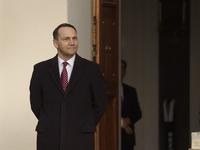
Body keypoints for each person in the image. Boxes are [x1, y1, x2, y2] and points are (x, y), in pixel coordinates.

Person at [29, 23, 107, 150]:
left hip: (81, 139)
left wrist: (85, 124)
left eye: (74, 38)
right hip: (49, 139)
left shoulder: (92, 70)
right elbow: (36, 104)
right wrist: (53, 121)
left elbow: (101, 104)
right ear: (55, 43)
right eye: (66, 39)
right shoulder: (40, 70)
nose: (72, 42)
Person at [121, 60, 142, 150]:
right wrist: (119, 122)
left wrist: (127, 121)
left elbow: (138, 113)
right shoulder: (105, 90)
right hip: (110, 136)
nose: (120, 70)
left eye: (122, 68)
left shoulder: (130, 91)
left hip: (127, 138)